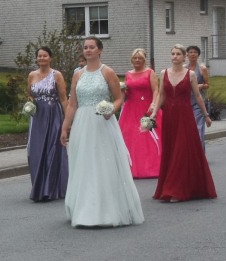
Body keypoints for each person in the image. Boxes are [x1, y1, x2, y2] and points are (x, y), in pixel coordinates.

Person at [62, 36, 144, 227]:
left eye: (92, 47)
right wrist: (65, 127)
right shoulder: (78, 75)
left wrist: (110, 110)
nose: (88, 50)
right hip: (82, 122)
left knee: (101, 162)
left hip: (102, 122)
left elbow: (118, 98)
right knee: (83, 163)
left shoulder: (107, 72)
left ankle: (106, 209)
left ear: (100, 50)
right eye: (85, 47)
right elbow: (72, 104)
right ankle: (84, 208)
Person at [152, 44, 216, 202]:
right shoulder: (163, 73)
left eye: (178, 54)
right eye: (173, 53)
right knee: (171, 151)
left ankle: (176, 190)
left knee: (181, 151)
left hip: (185, 116)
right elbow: (161, 95)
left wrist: (206, 115)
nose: (175, 56)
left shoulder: (191, 74)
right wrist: (154, 113)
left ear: (183, 57)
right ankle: (171, 187)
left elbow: (197, 96)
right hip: (169, 117)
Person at [25, 46, 69, 202]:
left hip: (53, 115)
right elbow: (30, 95)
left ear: (50, 58)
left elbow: (63, 98)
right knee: (35, 151)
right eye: (39, 56)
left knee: (52, 150)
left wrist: (67, 120)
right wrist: (29, 104)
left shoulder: (56, 75)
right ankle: (38, 187)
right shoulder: (32, 75)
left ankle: (50, 189)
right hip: (37, 117)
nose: (41, 58)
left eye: (44, 56)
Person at [118, 48, 162, 179]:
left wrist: (153, 104)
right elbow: (127, 93)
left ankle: (151, 166)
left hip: (146, 108)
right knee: (131, 136)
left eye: (140, 58)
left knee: (147, 136)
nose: (137, 60)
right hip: (131, 109)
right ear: (131, 60)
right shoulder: (128, 74)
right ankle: (132, 167)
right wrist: (122, 90)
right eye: (135, 58)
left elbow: (156, 90)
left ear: (144, 60)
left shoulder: (150, 72)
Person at [183, 45, 211, 142]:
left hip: (198, 102)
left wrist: (201, 86)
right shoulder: (183, 68)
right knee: (187, 127)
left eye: (195, 52)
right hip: (186, 101)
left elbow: (207, 84)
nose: (193, 54)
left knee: (198, 127)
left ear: (198, 55)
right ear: (187, 55)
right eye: (190, 52)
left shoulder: (202, 69)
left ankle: (199, 149)